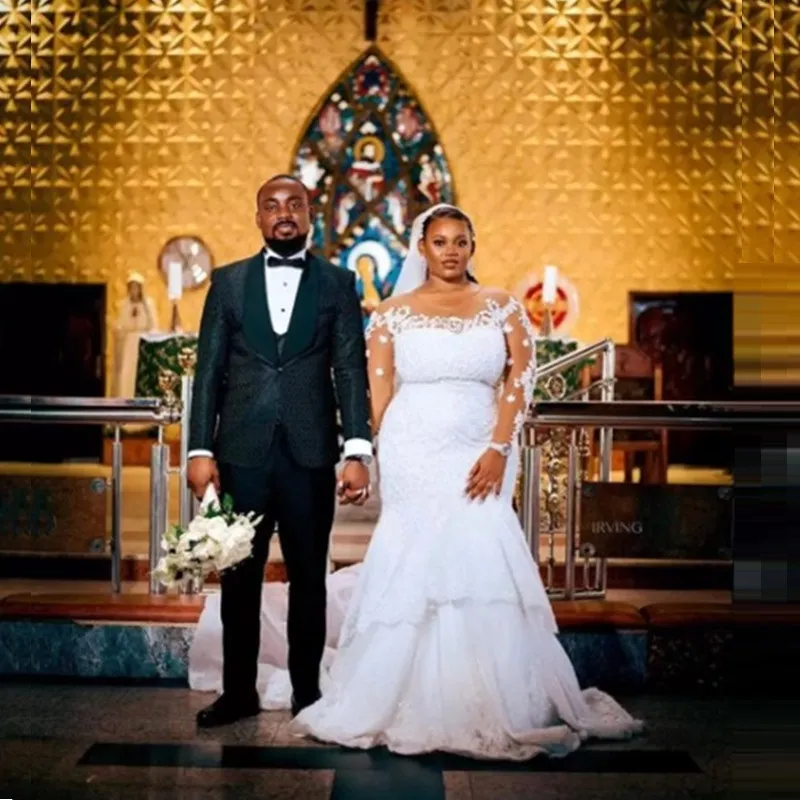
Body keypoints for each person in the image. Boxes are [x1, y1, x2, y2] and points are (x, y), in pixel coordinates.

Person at [189, 203, 644, 759]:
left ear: (473, 246)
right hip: (412, 455)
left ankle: (491, 698)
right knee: (411, 564)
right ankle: (384, 693)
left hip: (480, 452)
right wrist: (379, 449)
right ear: (421, 248)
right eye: (440, 241)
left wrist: (499, 447)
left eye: (461, 241)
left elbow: (517, 381)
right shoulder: (390, 312)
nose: (451, 251)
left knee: (479, 558)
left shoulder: (501, 305)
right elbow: (374, 392)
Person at [186, 174, 373, 728]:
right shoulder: (227, 282)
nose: (283, 213)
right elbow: (210, 371)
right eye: (272, 206)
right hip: (241, 450)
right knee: (239, 579)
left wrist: (357, 449)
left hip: (311, 451)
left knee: (309, 578)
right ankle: (237, 691)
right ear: (258, 217)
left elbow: (349, 368)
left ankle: (308, 693)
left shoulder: (339, 284)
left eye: (294, 204)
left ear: (311, 212)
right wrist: (199, 448)